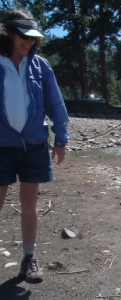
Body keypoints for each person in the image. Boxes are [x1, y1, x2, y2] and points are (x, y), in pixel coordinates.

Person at [0, 9, 69, 283]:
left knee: (29, 202)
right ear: (9, 33)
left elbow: (56, 103)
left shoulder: (40, 66)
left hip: (34, 144)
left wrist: (61, 139)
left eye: (33, 38)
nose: (28, 42)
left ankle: (29, 259)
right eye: (23, 36)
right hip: (2, 146)